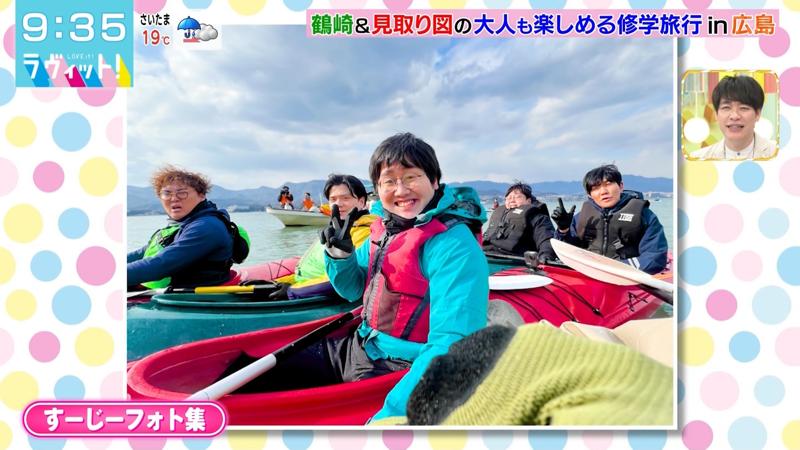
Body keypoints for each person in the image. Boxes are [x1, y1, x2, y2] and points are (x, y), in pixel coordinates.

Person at [323, 132, 488, 421]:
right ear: (377, 189)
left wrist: (390, 418)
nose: (400, 190)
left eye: (411, 177)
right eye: (389, 181)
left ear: (434, 181)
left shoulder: (454, 245)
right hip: (362, 345)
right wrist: (340, 256)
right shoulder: (385, 228)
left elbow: (454, 344)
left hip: (401, 365)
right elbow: (352, 290)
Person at [127, 166, 249, 289]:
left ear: (202, 195)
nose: (174, 198)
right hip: (166, 292)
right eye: (167, 193)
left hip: (192, 297)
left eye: (181, 193)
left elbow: (162, 264)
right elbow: (142, 253)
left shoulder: (207, 226)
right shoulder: (178, 225)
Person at [270, 175, 378, 299]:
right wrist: (278, 283)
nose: (338, 204)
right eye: (333, 199)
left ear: (361, 202)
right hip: (303, 284)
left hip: (311, 295)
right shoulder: (335, 229)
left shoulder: (366, 233)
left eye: (346, 198)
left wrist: (292, 290)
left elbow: (345, 278)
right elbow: (310, 271)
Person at [551, 164, 667, 275]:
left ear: (621, 186)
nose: (603, 192)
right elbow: (565, 251)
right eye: (596, 188)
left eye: (608, 184)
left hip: (627, 277)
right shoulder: (580, 217)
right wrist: (563, 230)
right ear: (590, 194)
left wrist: (613, 269)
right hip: (588, 275)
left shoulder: (644, 215)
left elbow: (655, 257)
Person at [690, 75, 777, 160]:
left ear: (757, 114)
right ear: (716, 114)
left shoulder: (777, 153)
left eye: (743, 108)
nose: (734, 116)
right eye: (726, 107)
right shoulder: (697, 158)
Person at [482, 182, 556, 261]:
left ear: (528, 201)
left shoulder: (537, 217)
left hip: (514, 260)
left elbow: (546, 240)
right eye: (509, 198)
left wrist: (545, 257)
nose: (512, 200)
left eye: (517, 197)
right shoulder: (499, 215)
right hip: (486, 256)